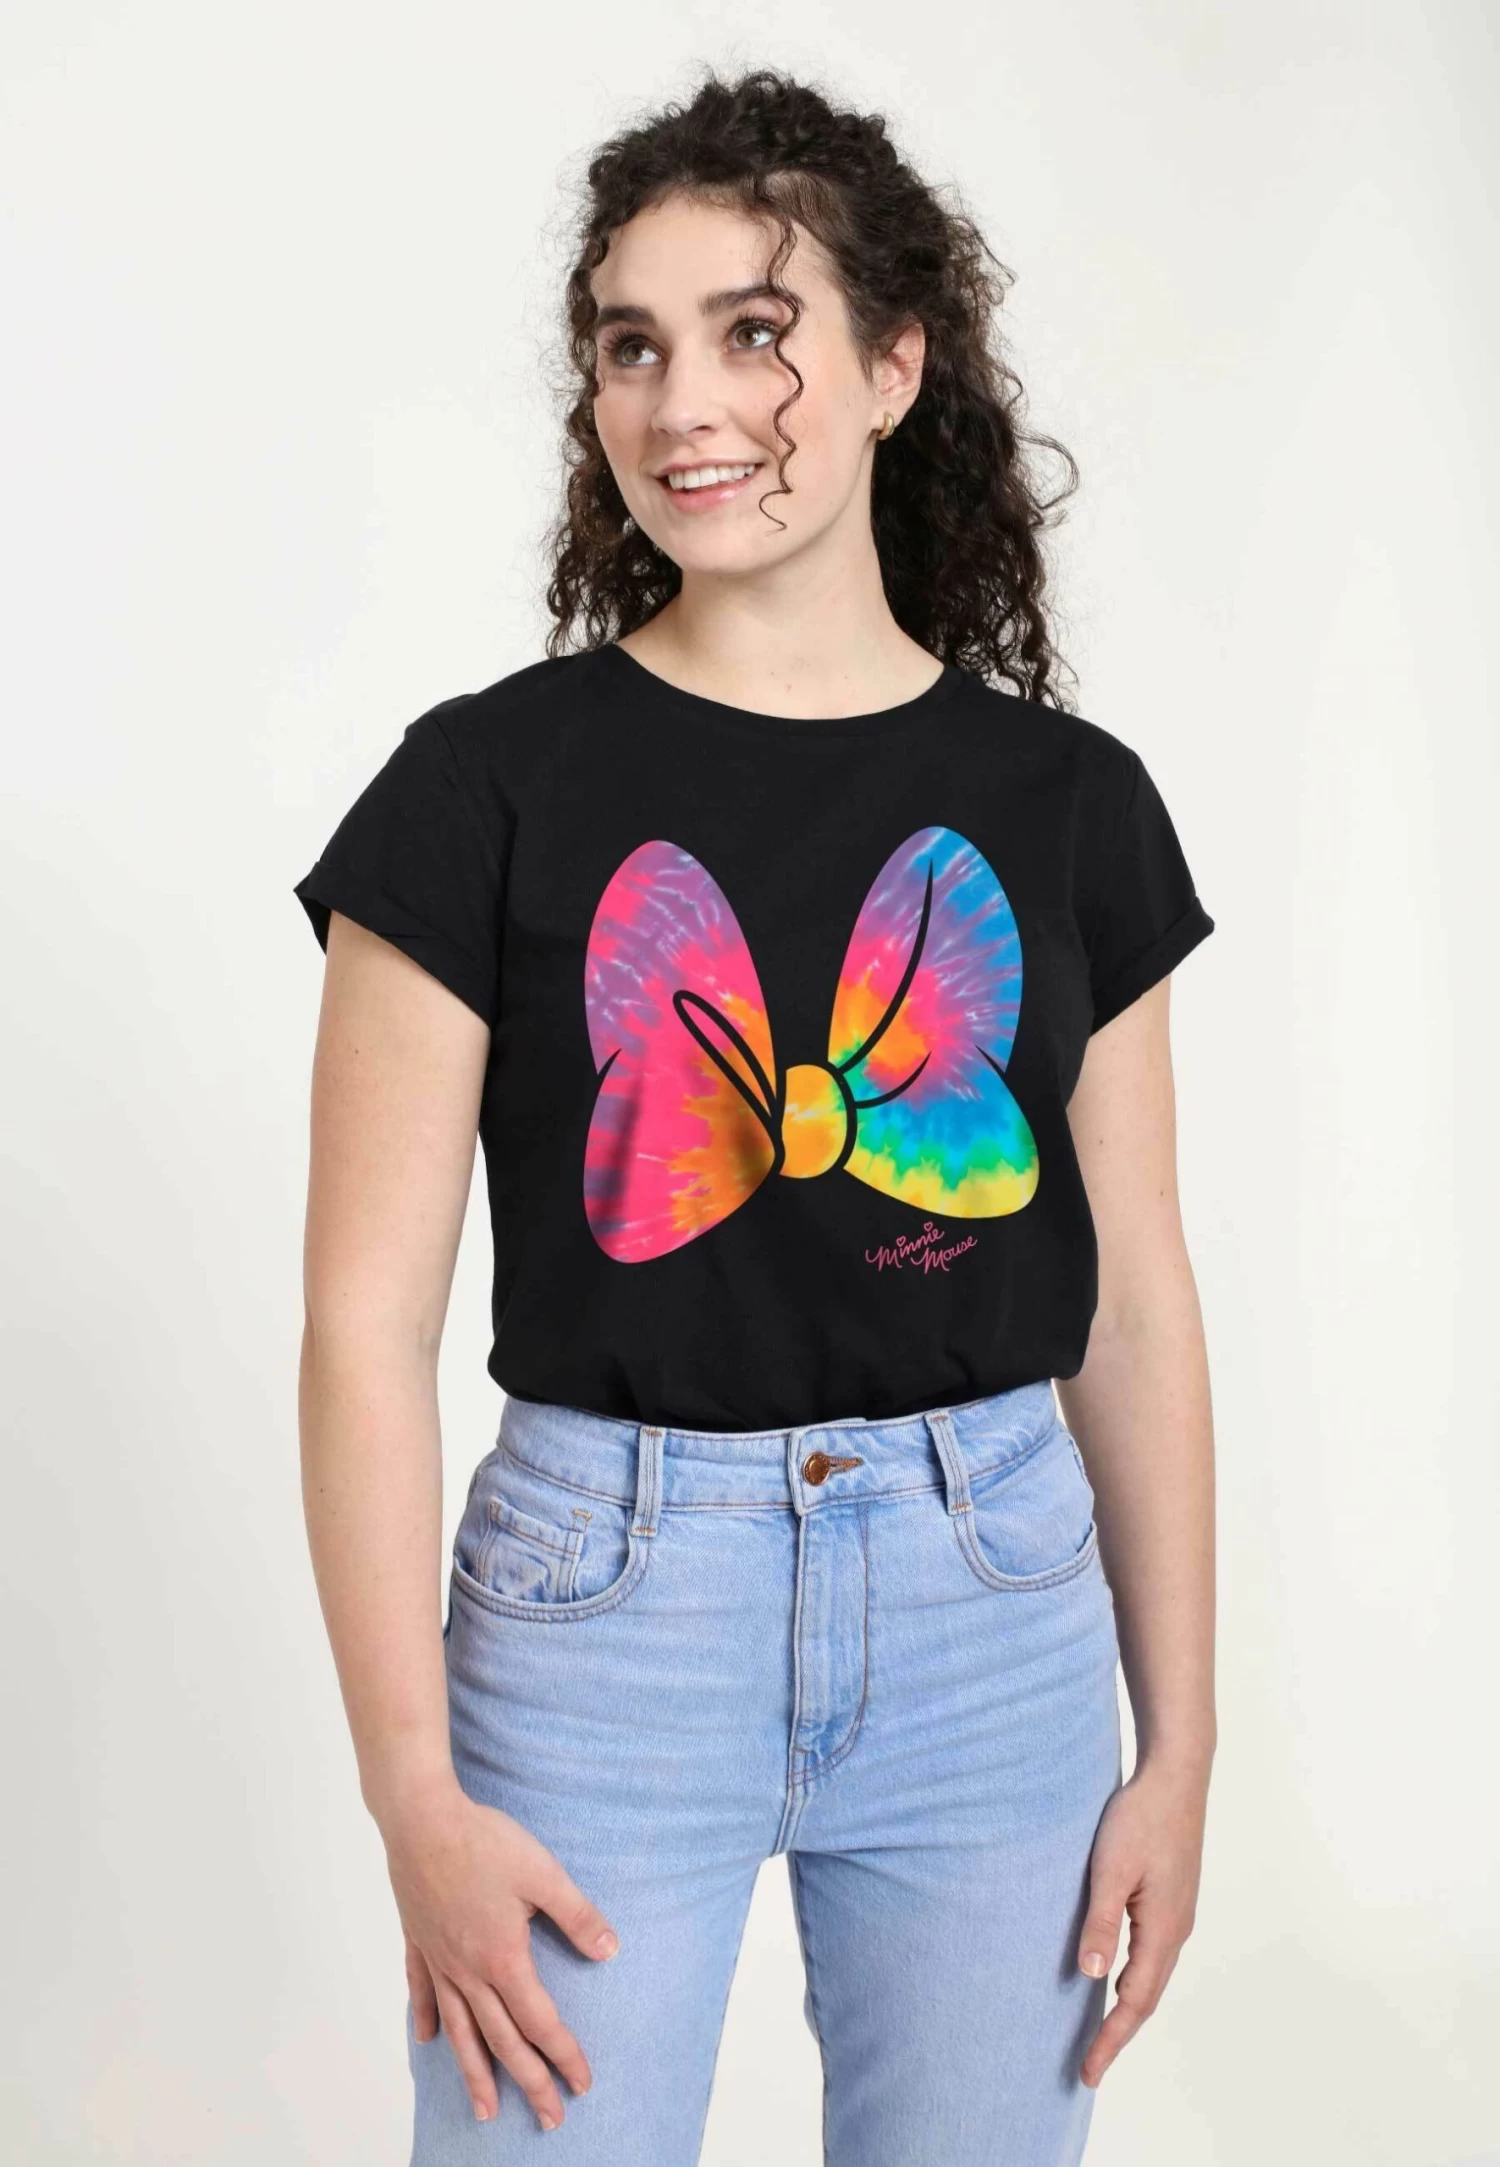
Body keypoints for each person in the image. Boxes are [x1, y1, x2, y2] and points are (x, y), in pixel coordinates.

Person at [292, 65, 1217, 2167]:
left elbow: (1138, 1301)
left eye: (753, 332)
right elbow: (362, 1327)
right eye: (632, 345)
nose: (682, 401)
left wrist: (1182, 1746)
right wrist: (412, 1797)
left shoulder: (1072, 805)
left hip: (998, 1606)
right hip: (603, 1612)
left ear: (896, 367)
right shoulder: (477, 791)